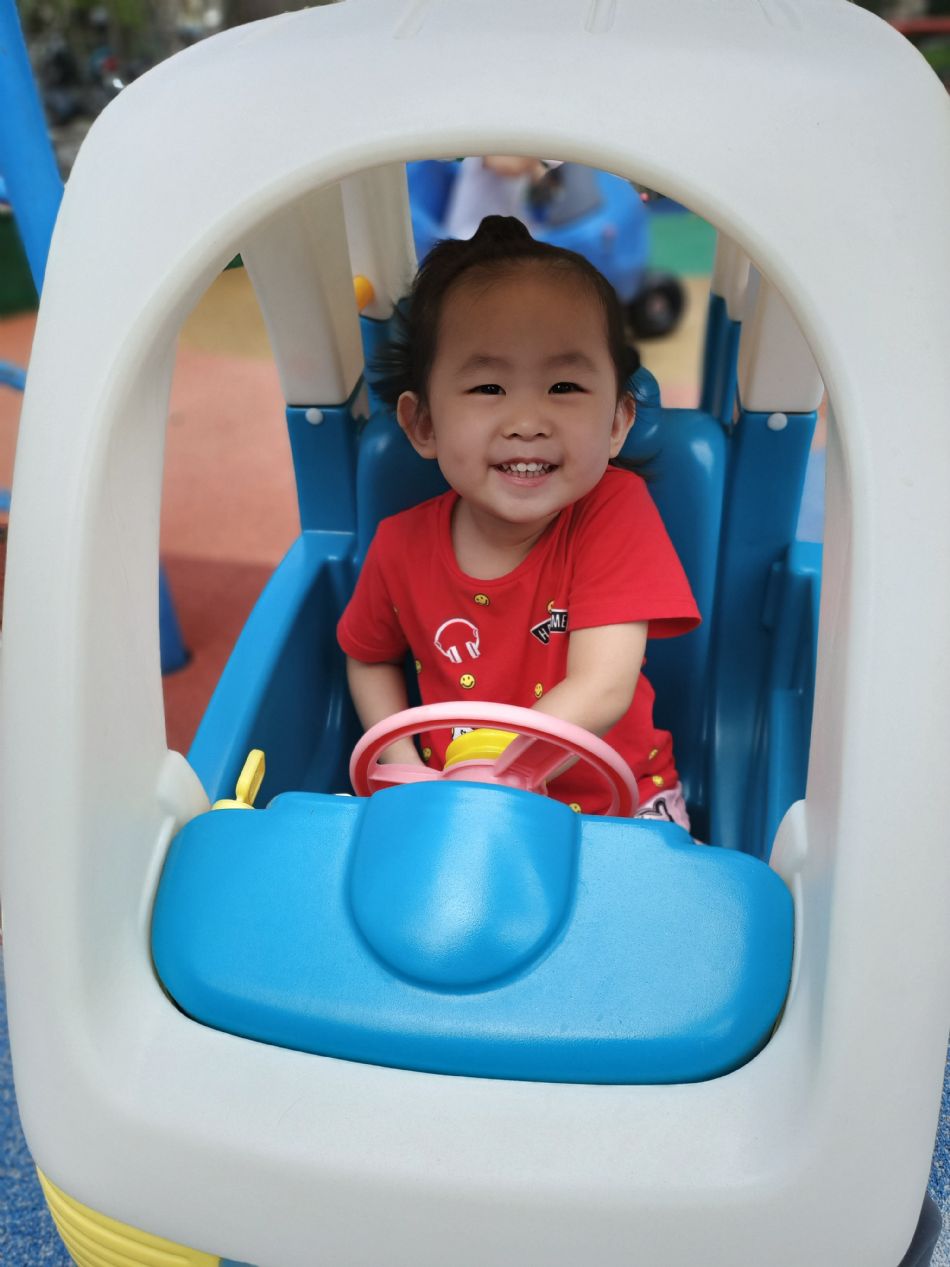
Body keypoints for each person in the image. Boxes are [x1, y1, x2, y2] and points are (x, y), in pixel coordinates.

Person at [337, 215, 699, 822]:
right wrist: (404, 767)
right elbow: (368, 654)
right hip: (454, 800)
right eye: (488, 389)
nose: (527, 422)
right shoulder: (400, 544)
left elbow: (603, 685)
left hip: (618, 806)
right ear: (423, 424)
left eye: (563, 386)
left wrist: (494, 775)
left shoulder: (613, 511)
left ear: (616, 422)